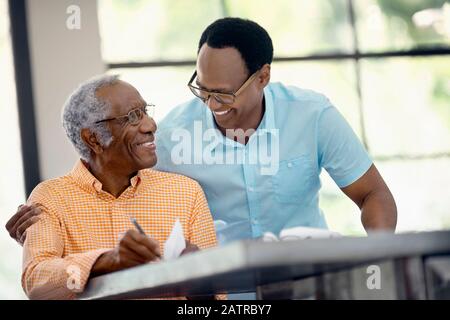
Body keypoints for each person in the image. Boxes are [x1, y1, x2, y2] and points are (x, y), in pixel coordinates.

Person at [18, 75, 220, 300]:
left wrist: (201, 282)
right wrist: (107, 262)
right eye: (133, 116)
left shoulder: (186, 192)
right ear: (93, 139)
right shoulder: (50, 197)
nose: (151, 125)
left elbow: (217, 301)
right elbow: (37, 281)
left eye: (145, 111)